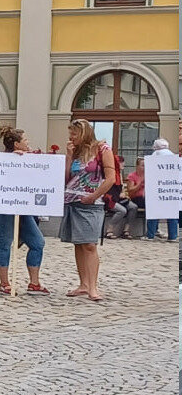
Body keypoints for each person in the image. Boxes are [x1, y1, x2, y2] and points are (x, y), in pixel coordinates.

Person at [61, 119, 115, 301]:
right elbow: (66, 177)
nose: (71, 137)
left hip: (92, 203)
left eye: (74, 134)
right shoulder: (75, 151)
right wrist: (68, 157)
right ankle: (83, 284)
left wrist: (93, 196)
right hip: (72, 200)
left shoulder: (102, 149)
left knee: (90, 244)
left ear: (83, 133)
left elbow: (110, 178)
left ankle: (93, 287)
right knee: (79, 242)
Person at [0, 128, 48, 294]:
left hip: (23, 207)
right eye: (25, 141)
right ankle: (4, 283)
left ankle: (34, 283)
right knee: (5, 243)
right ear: (16, 144)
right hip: (3, 208)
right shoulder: (2, 160)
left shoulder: (28, 159)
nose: (28, 144)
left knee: (37, 243)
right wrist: (13, 161)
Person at [145, 138, 179, 241]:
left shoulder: (155, 156)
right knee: (172, 213)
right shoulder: (174, 156)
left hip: (157, 188)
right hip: (171, 188)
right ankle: (172, 236)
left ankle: (150, 235)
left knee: (154, 211)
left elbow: (150, 172)